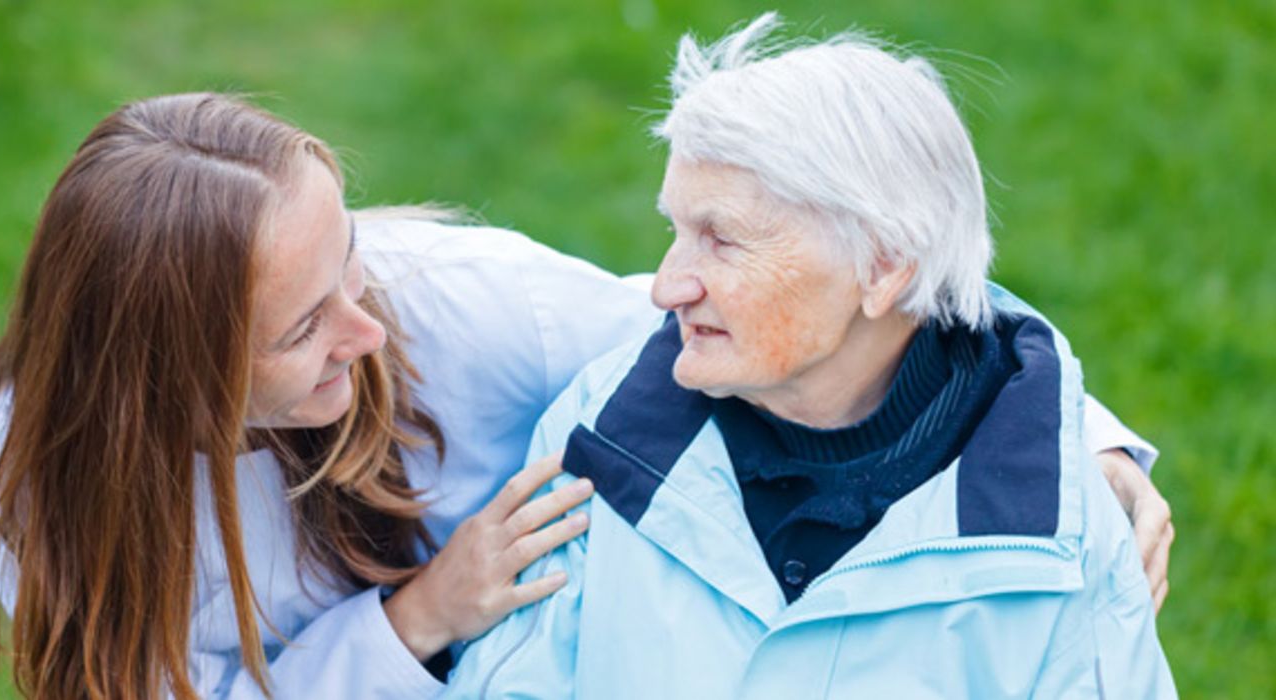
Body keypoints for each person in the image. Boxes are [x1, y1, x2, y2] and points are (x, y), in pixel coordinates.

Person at [0, 93, 1163, 699]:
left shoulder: (462, 301)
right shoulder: (41, 492)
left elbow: (810, 311)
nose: (368, 327)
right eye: (302, 326)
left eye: (353, 266)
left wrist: (1084, 448)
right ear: (169, 377)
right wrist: (415, 619)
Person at [445, 14, 1176, 698]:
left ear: (884, 267)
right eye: (673, 229)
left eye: (721, 238)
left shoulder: (1064, 544)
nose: (666, 286)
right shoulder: (595, 436)